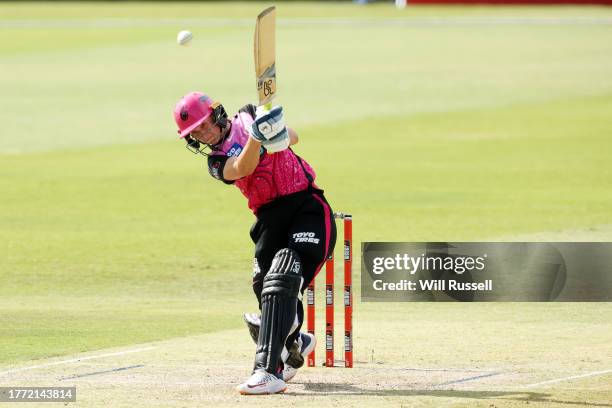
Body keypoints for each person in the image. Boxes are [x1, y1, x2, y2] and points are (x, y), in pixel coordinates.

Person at [173, 92, 336, 395]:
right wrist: (257, 138)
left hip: (306, 207)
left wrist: (275, 131)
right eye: (194, 132)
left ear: (216, 114)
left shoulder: (249, 113)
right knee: (267, 291)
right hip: (269, 222)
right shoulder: (215, 160)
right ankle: (296, 343)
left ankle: (267, 371)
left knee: (283, 274)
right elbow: (242, 168)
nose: (201, 133)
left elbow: (294, 138)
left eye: (203, 124)